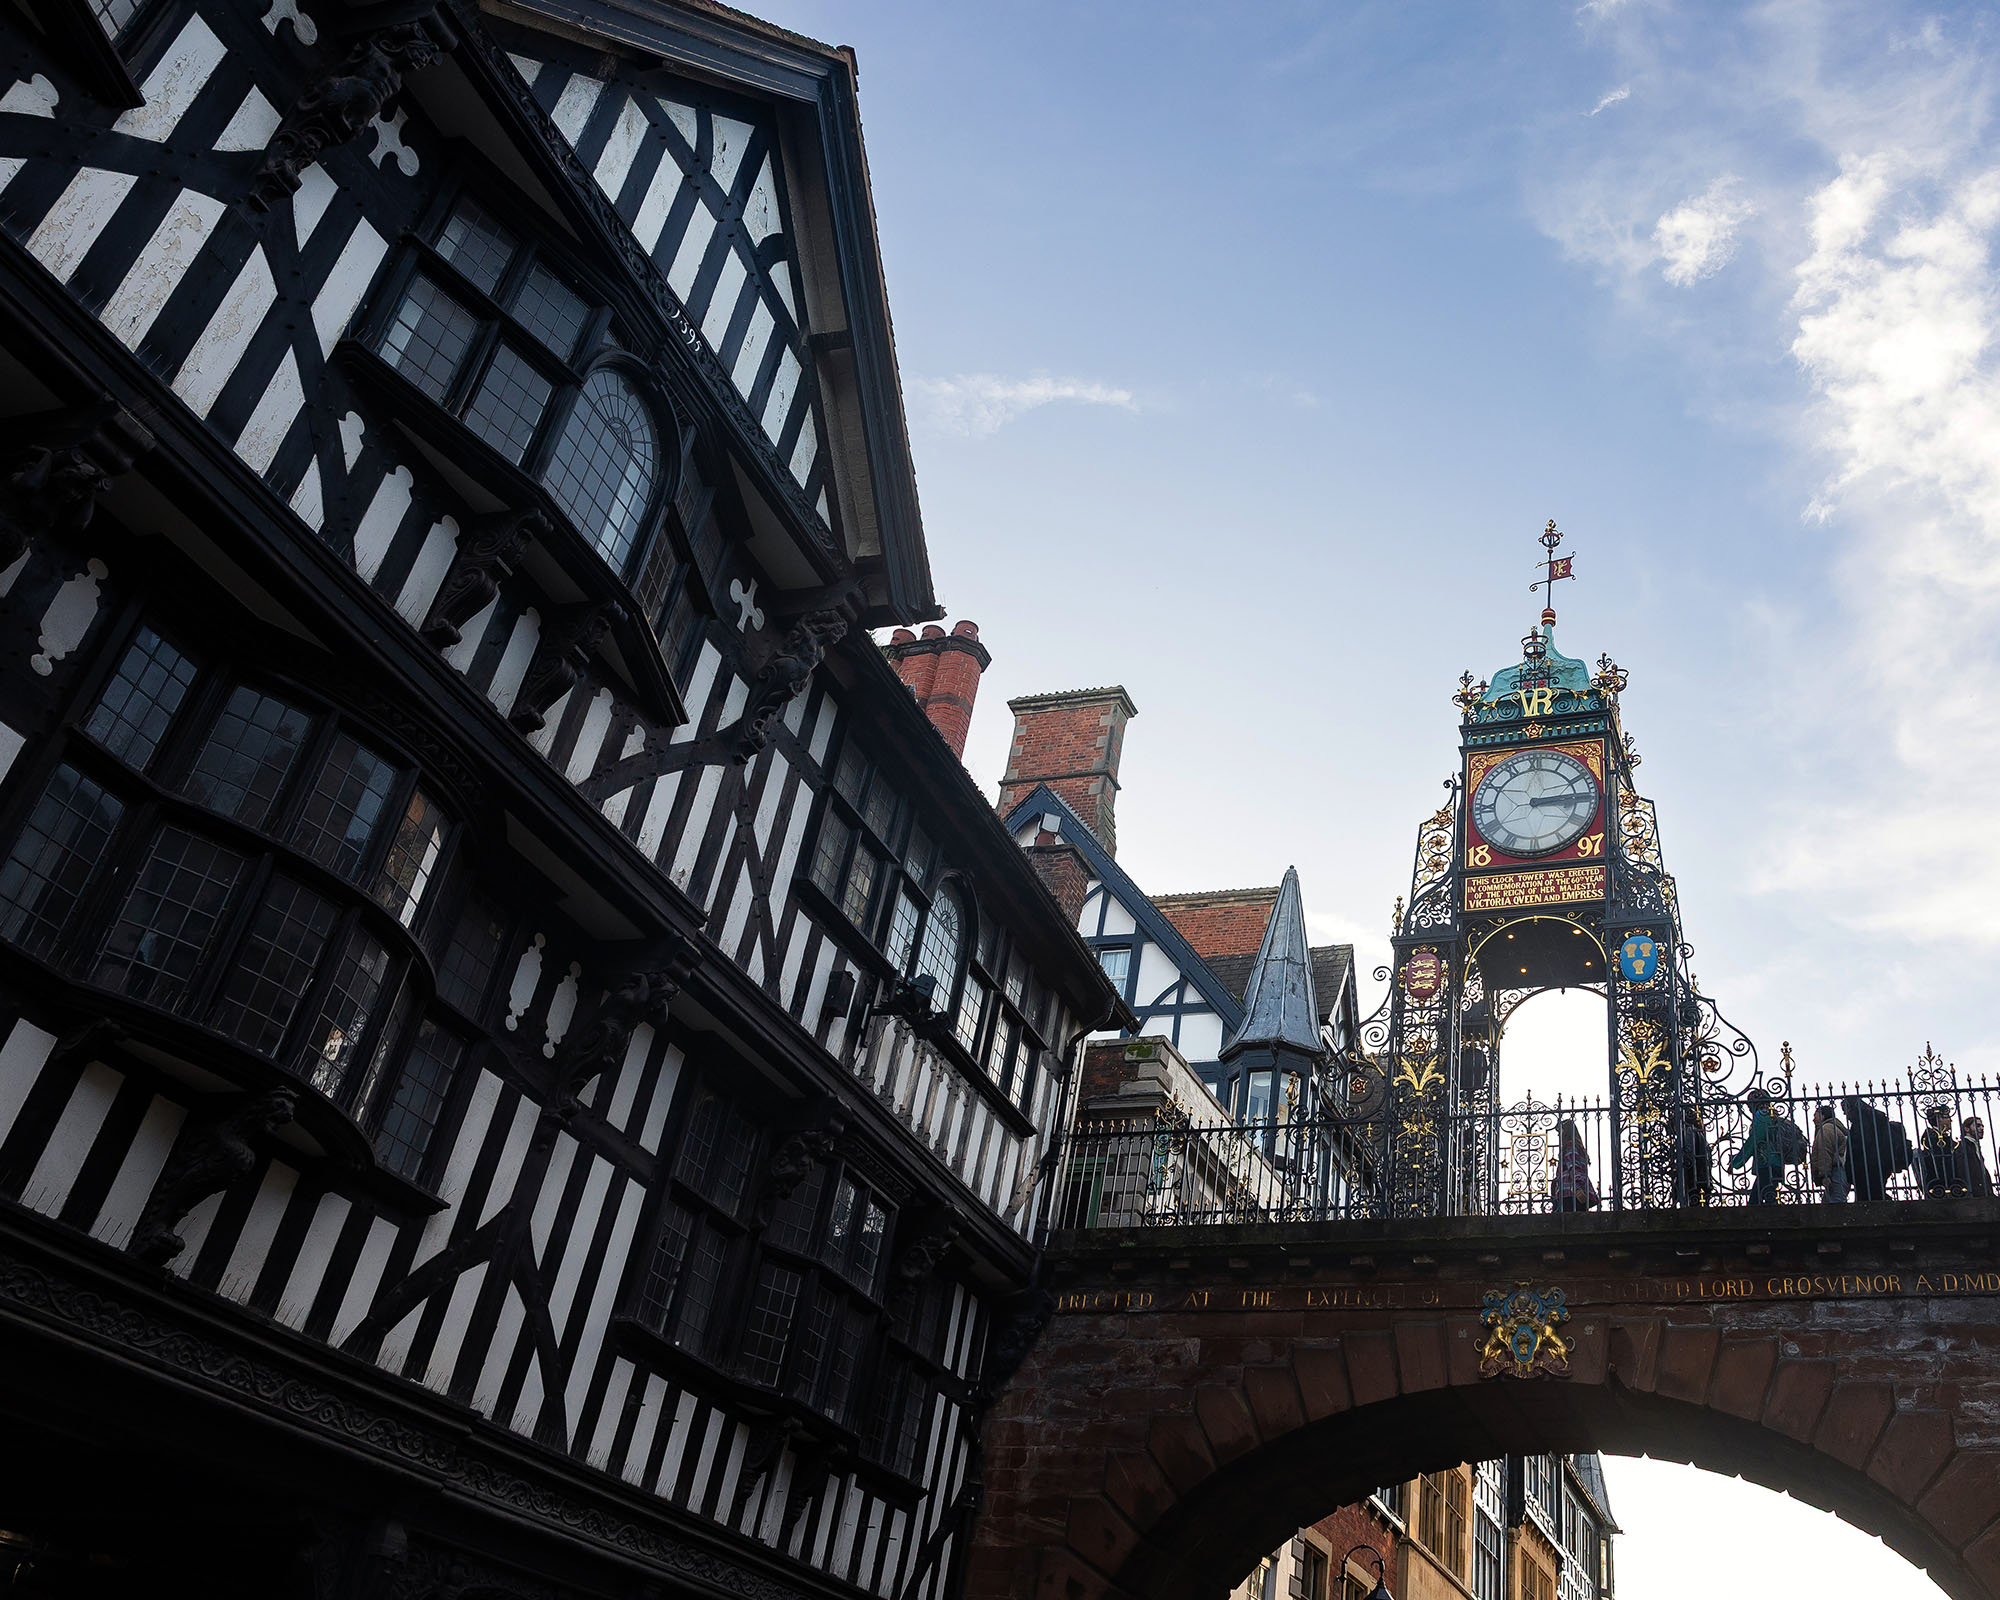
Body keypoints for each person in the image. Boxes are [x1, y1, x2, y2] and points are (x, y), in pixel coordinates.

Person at [1842, 1095, 1909, 1203]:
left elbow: (1861, 1144)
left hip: (1866, 1166)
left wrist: (1851, 1167)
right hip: (1881, 1164)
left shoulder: (1862, 1120)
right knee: (1875, 1194)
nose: (1845, 1114)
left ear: (1851, 1107)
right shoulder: (1875, 1117)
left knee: (1867, 1198)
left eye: (1845, 1109)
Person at [1728, 1089, 1786, 1205]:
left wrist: (1736, 1162)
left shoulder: (1762, 1115)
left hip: (1766, 1163)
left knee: (1755, 1203)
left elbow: (1754, 1141)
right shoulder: (1772, 1115)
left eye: (1750, 1104)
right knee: (1768, 1198)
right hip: (1777, 1163)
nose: (1749, 1109)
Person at [1550, 1119, 1599, 1212]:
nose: (1558, 1135)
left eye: (1560, 1131)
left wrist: (1577, 1187)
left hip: (1569, 1192)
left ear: (1565, 1132)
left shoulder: (1570, 1146)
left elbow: (1574, 1167)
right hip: (1571, 1191)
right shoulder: (1578, 1146)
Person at [1920, 1106, 1965, 1198]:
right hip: (1939, 1187)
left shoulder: (1942, 1137)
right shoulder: (1932, 1138)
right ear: (1939, 1119)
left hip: (1950, 1187)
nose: (1950, 1120)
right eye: (1947, 1117)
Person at [1810, 1103, 1850, 1203]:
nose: (1813, 1119)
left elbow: (1825, 1153)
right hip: (1838, 1171)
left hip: (1835, 1171)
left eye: (1815, 1115)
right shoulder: (1832, 1128)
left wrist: (1825, 1175)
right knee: (1828, 1203)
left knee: (1837, 1203)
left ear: (1823, 1116)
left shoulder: (1827, 1129)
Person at [1958, 1116, 1994, 1198]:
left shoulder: (1974, 1145)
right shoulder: (1963, 1146)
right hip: (1973, 1195)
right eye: (1977, 1126)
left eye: (1982, 1126)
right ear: (1966, 1129)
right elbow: (1962, 1170)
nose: (1981, 1128)